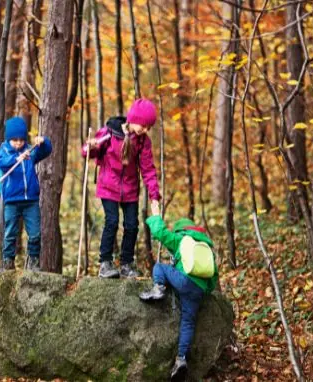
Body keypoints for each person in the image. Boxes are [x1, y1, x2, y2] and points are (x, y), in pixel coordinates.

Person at [82, 99, 161, 278]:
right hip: (109, 186)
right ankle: (105, 263)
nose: (145, 130)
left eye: (148, 127)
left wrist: (154, 196)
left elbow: (148, 169)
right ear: (133, 118)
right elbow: (87, 152)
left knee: (132, 225)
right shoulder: (110, 132)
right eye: (143, 125)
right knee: (112, 221)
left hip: (130, 189)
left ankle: (127, 263)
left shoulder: (143, 142)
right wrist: (90, 147)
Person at [139, 204, 219, 381]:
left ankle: (158, 288)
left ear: (181, 230)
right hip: (198, 290)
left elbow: (160, 233)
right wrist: (205, 290)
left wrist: (155, 215)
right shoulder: (205, 245)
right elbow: (213, 274)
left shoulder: (181, 239)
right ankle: (181, 359)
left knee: (160, 267)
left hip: (183, 281)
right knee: (188, 322)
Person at [0, 116, 52, 272]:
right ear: (9, 139)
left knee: (35, 234)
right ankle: (7, 262)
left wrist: (43, 141)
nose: (19, 143)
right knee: (10, 233)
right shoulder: (3, 151)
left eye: (21, 140)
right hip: (12, 200)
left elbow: (47, 150)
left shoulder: (30, 151)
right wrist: (17, 159)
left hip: (30, 200)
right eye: (15, 140)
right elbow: (3, 163)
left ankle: (33, 262)